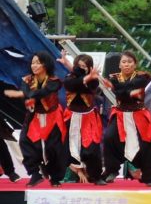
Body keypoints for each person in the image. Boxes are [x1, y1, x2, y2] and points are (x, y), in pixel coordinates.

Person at [5, 51, 67, 187]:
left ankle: (55, 177)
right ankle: (34, 173)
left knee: (54, 148)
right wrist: (25, 94)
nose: (34, 65)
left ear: (45, 65)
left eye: (38, 62)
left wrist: (24, 94)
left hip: (53, 116)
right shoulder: (26, 80)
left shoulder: (54, 81)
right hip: (35, 117)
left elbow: (43, 92)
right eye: (33, 63)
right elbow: (27, 93)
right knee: (25, 142)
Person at [101, 50, 151, 186]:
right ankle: (111, 170)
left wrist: (118, 88)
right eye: (124, 62)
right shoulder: (114, 78)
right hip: (121, 114)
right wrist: (125, 91)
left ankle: (149, 176)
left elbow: (127, 89)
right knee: (109, 137)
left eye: (129, 62)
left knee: (148, 141)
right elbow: (123, 93)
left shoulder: (142, 77)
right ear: (119, 65)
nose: (127, 65)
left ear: (135, 64)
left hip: (138, 114)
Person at [59, 52, 105, 184]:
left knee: (91, 148)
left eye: (84, 66)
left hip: (88, 118)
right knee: (68, 147)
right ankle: (73, 174)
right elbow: (74, 84)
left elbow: (87, 86)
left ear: (89, 67)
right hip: (71, 117)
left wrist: (89, 77)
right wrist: (84, 76)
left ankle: (96, 176)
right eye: (78, 66)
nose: (81, 68)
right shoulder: (69, 79)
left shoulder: (94, 81)